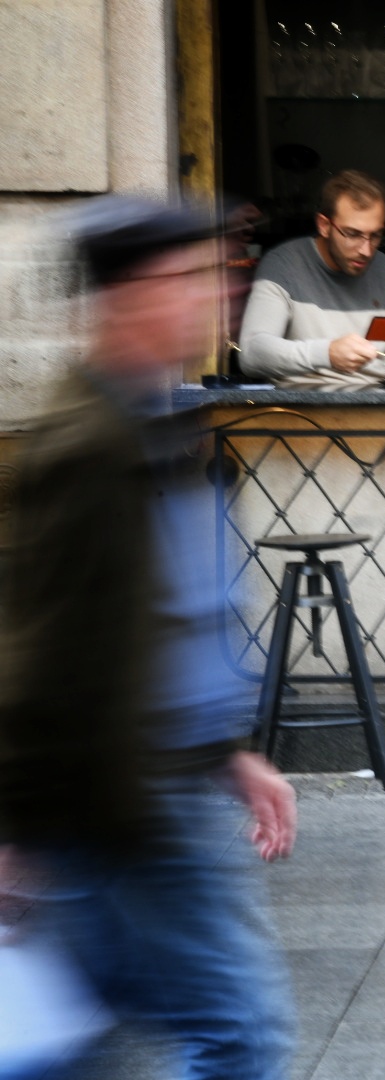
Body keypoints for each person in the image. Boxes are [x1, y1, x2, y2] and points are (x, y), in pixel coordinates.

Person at [0, 196, 297, 1077]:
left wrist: (229, 753)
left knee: (84, 1033)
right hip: (129, 800)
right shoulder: (85, 447)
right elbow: (38, 648)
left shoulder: (151, 421)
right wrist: (14, 828)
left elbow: (167, 624)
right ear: (120, 300)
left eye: (219, 275)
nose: (218, 298)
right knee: (238, 1035)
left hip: (148, 785)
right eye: (189, 279)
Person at [239, 169, 385, 389]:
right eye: (353, 234)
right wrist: (327, 353)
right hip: (302, 411)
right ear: (324, 225)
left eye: (375, 235)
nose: (366, 250)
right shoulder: (283, 266)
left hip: (380, 409)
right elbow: (252, 354)